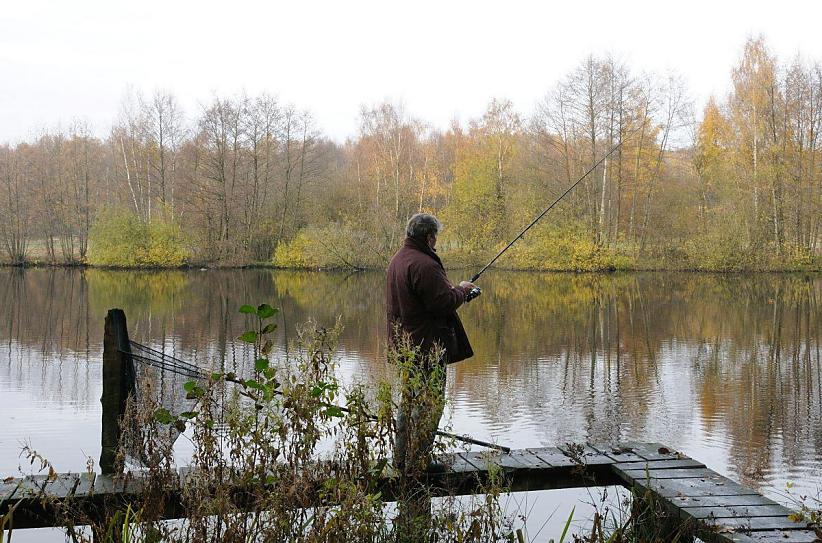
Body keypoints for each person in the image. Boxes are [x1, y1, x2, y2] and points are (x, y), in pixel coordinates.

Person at [386, 213, 476, 473]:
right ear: (429, 237)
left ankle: (401, 459)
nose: (436, 242)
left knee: (409, 401)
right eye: (435, 237)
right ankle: (419, 462)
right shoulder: (424, 264)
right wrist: (463, 290)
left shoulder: (399, 259)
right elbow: (443, 302)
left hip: (407, 346)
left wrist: (455, 291)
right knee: (429, 404)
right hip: (426, 348)